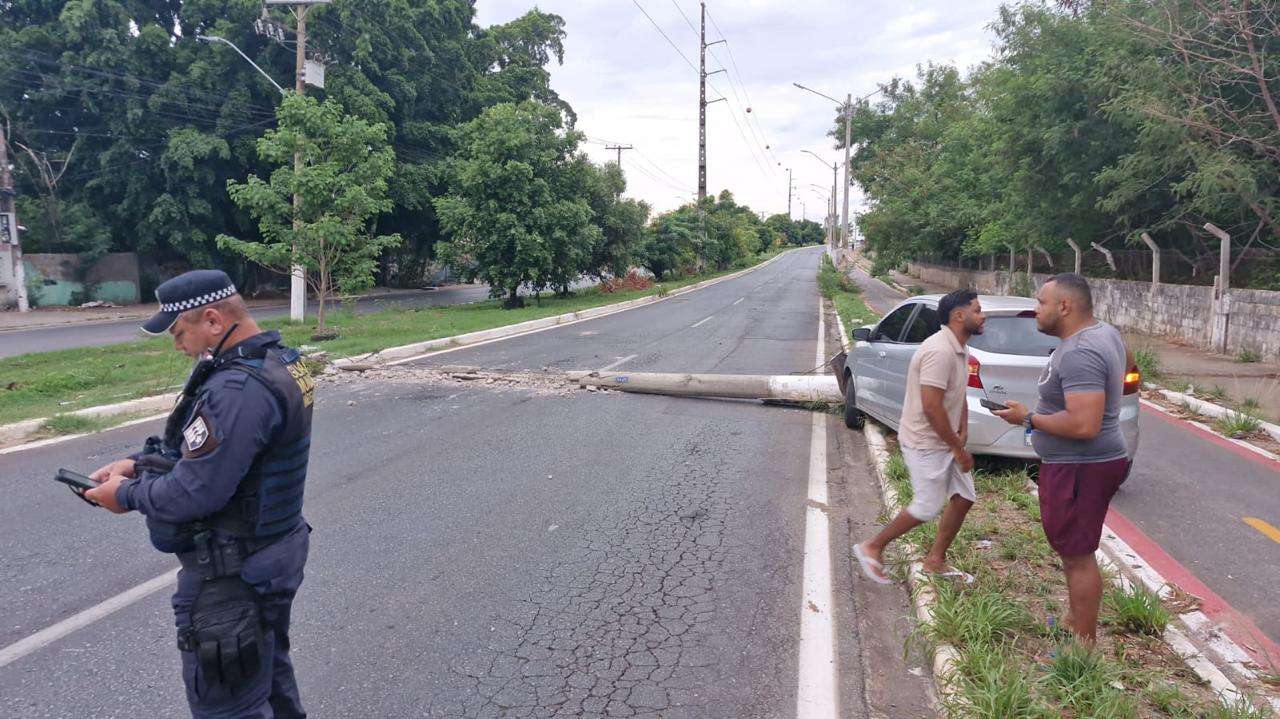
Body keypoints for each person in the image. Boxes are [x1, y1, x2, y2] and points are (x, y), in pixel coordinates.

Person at [85, 270, 315, 718]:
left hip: (234, 574)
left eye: (178, 332)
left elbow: (195, 492)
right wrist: (137, 463)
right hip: (270, 553)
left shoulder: (238, 388)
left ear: (212, 319)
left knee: (230, 707)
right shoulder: (278, 360)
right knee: (269, 679)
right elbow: (215, 452)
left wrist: (127, 494)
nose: (178, 345)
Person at [993, 273, 1130, 646]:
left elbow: (1084, 425)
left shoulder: (1080, 353)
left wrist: (1027, 417)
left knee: (1077, 554)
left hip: (1081, 466)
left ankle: (1083, 647)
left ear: (1064, 306)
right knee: (1072, 548)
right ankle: (1073, 620)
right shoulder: (1104, 333)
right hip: (1082, 463)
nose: (1035, 309)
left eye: (1041, 302)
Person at [854, 289, 986, 585]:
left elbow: (958, 393)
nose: (983, 316)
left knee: (964, 497)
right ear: (959, 315)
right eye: (977, 310)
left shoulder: (960, 348)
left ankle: (935, 561)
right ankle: (872, 546)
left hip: (945, 440)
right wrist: (958, 447)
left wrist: (963, 429)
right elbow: (931, 406)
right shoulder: (939, 351)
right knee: (927, 506)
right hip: (925, 441)